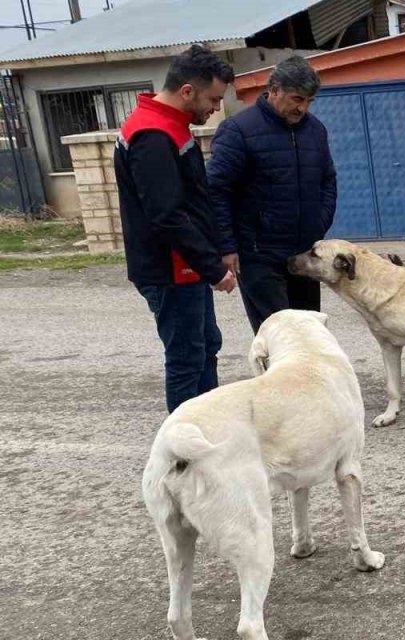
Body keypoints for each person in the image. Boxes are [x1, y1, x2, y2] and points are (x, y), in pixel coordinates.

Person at [115, 44, 238, 413]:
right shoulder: (152, 135)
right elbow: (167, 215)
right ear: (187, 91)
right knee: (187, 357)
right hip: (170, 269)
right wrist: (212, 268)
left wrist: (216, 251)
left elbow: (193, 201)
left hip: (187, 266)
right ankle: (186, 438)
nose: (215, 108)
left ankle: (208, 424)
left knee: (206, 345)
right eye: (213, 99)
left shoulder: (171, 125)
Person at [208, 55, 337, 334]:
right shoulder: (238, 130)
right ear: (274, 90)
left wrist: (319, 222)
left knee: (310, 334)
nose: (302, 108)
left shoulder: (314, 130)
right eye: (296, 99)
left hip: (303, 253)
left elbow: (327, 180)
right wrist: (227, 247)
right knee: (279, 336)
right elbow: (216, 190)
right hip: (259, 256)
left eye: (309, 101)